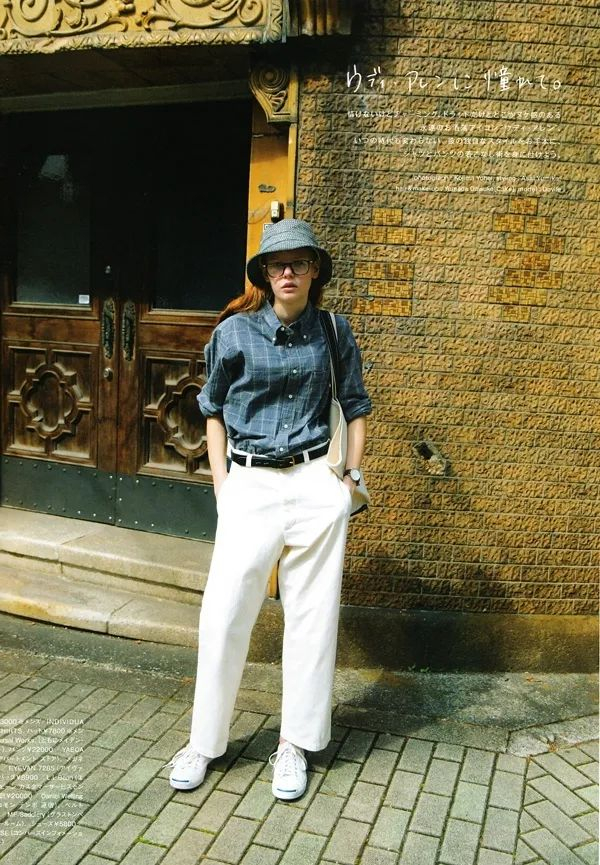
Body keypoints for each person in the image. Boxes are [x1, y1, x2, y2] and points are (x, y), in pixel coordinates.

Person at [167, 219, 371, 800]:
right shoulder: (233, 333)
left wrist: (347, 481)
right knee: (225, 614)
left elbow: (355, 404)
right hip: (250, 484)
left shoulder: (334, 331)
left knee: (312, 620)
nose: (288, 272)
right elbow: (211, 408)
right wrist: (222, 483)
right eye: (277, 264)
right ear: (263, 273)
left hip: (314, 483)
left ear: (314, 271)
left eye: (299, 263)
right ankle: (204, 742)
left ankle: (294, 746)